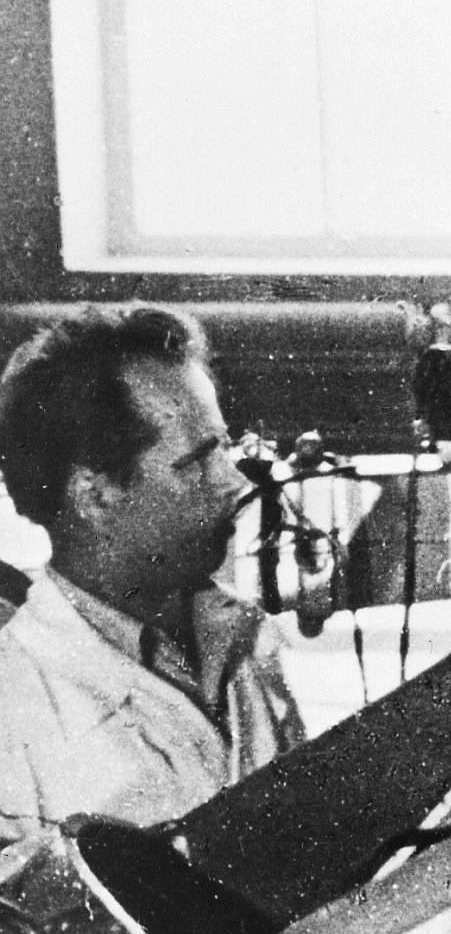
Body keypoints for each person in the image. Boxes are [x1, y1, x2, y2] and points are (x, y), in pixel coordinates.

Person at [0, 306, 305, 846]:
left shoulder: (243, 636)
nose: (232, 481)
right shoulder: (15, 709)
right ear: (96, 496)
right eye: (196, 461)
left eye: (225, 447)